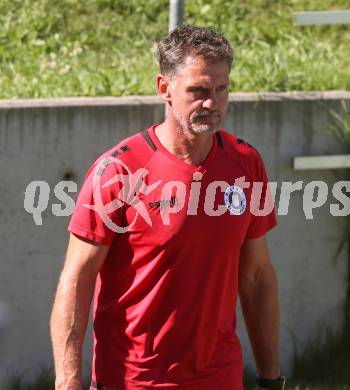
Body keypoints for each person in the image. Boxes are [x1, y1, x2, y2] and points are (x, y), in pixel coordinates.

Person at [50, 24, 284, 390]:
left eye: (221, 89)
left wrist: (271, 377)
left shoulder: (245, 162)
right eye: (199, 91)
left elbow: (256, 277)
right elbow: (76, 281)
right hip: (133, 381)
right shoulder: (119, 171)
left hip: (219, 379)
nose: (212, 103)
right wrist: (67, 382)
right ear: (165, 89)